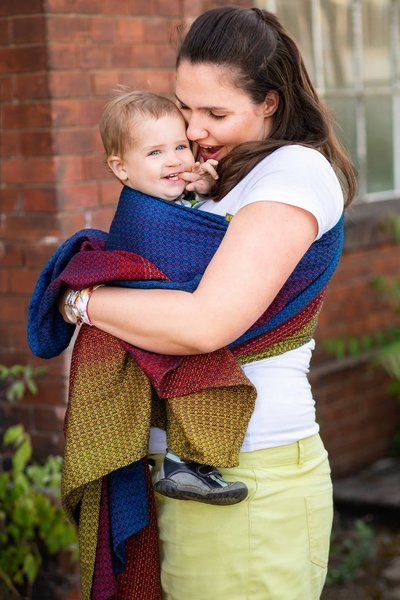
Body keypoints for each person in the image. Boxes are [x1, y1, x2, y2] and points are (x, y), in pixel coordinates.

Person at [57, 6, 356, 600]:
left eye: (215, 113)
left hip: (246, 469)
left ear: (270, 101)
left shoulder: (293, 171)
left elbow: (204, 322)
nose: (193, 130)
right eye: (184, 107)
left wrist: (84, 303)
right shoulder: (218, 175)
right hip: (187, 469)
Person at [94, 87, 248, 505]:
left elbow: (189, 215)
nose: (176, 159)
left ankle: (184, 462)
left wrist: (203, 195)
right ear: (120, 168)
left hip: (157, 315)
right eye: (156, 153)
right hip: (154, 313)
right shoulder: (142, 215)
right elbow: (189, 257)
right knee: (195, 372)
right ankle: (184, 462)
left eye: (181, 146)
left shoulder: (164, 199)